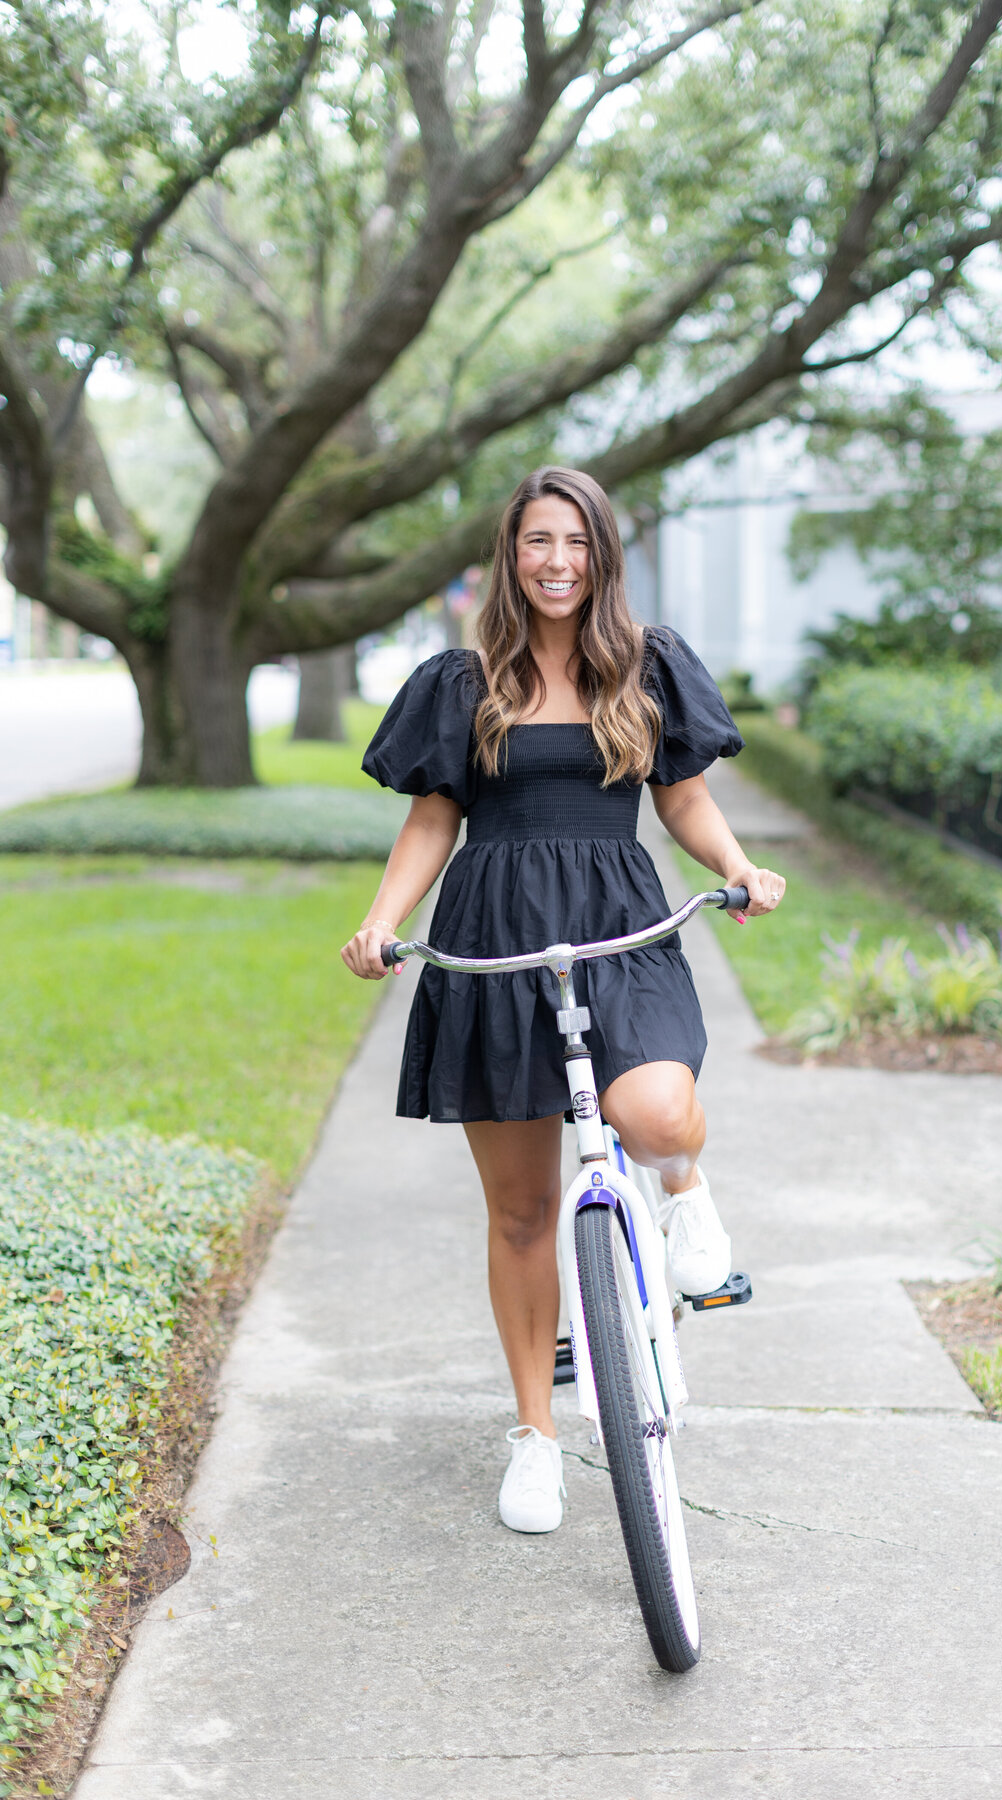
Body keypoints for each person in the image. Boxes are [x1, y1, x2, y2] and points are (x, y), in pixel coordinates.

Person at [341, 467, 786, 1535]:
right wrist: (378, 920)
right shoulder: (463, 680)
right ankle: (537, 1436)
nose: (556, 562)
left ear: (601, 555)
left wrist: (739, 867)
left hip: (616, 922)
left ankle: (683, 1192)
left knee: (655, 1113)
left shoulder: (645, 664)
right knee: (524, 1210)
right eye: (538, 542)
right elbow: (432, 819)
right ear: (512, 554)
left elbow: (681, 797)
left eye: (575, 543)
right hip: (495, 929)